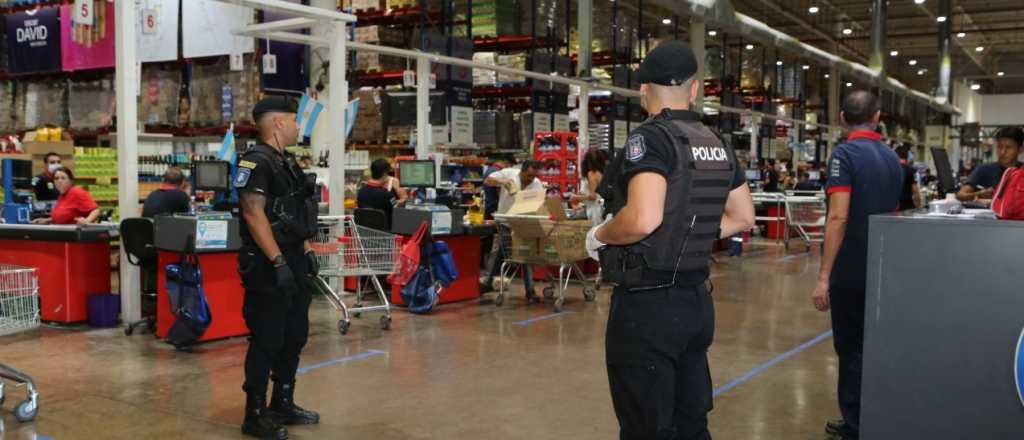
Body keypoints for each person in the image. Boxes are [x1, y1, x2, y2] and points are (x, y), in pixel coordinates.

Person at [586, 40, 755, 440]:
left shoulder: (652, 139)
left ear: (643, 90)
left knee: (647, 426)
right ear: (694, 89)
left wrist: (599, 236)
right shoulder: (716, 143)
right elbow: (743, 216)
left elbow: (644, 218)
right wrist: (688, 230)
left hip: (648, 306)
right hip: (696, 304)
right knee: (690, 422)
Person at [811, 91, 903, 440]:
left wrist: (823, 277)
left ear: (841, 117)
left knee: (849, 349)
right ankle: (874, 415)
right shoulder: (893, 159)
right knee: (873, 346)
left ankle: (855, 425)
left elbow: (838, 216)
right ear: (877, 117)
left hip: (850, 270)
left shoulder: (845, 154)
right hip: (882, 269)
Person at [234, 96, 321, 440]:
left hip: (294, 260)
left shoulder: (287, 163)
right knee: (267, 338)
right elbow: (253, 213)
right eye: (295, 120)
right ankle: (254, 414)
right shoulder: (256, 162)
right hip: (269, 264)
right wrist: (278, 260)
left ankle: (282, 401)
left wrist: (307, 249)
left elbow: (299, 213)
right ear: (278, 123)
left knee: (294, 334)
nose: (300, 126)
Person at [480, 160, 544, 297]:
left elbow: (537, 204)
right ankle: (488, 282)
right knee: (500, 252)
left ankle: (530, 290)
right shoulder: (509, 173)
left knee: (525, 254)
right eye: (528, 176)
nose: (530, 179)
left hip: (524, 223)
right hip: (505, 221)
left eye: (533, 177)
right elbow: (487, 180)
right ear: (522, 171)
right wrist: (502, 183)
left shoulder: (537, 183)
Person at [956, 127, 1023, 202]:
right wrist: (979, 194)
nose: (1002, 152)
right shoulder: (984, 169)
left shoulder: (1022, 171)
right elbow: (960, 195)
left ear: (1020, 149)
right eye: (1000, 147)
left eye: (1008, 147)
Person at [30, 167, 100, 225]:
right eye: (56, 178)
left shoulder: (77, 192)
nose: (59, 181)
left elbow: (96, 210)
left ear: (70, 181)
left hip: (75, 238)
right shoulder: (62, 195)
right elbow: (66, 216)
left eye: (63, 178)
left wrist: (87, 221)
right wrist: (47, 220)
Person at [356, 159, 408, 227]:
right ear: (385, 173)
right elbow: (397, 209)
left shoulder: (361, 192)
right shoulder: (387, 195)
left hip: (365, 231)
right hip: (385, 232)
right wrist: (403, 199)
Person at [571, 148, 610, 225]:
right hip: (604, 208)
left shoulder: (592, 174)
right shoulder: (603, 172)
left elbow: (593, 197)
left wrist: (576, 197)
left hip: (596, 210)